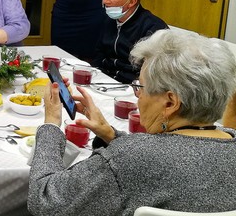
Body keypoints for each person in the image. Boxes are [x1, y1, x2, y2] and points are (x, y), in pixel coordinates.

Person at [26, 29, 236, 215]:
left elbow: (44, 200)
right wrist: (110, 134)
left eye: (141, 87)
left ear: (170, 102)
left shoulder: (132, 157)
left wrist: (51, 123)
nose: (137, 96)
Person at [91, 0, 168, 83]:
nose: (105, 1)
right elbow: (99, 53)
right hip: (103, 79)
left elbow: (154, 72)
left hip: (131, 86)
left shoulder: (154, 28)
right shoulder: (108, 20)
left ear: (131, 2)